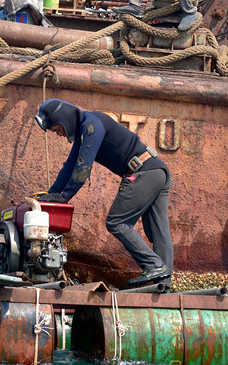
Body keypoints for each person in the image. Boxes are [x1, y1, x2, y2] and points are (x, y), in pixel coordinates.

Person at [34, 99, 173, 287]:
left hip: (143, 173)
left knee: (117, 222)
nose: (58, 134)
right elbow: (69, 167)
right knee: (158, 231)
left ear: (63, 119)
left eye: (56, 129)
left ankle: (154, 265)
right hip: (157, 170)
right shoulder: (86, 127)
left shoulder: (92, 124)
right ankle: (163, 284)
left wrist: (63, 197)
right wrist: (50, 195)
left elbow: (83, 168)